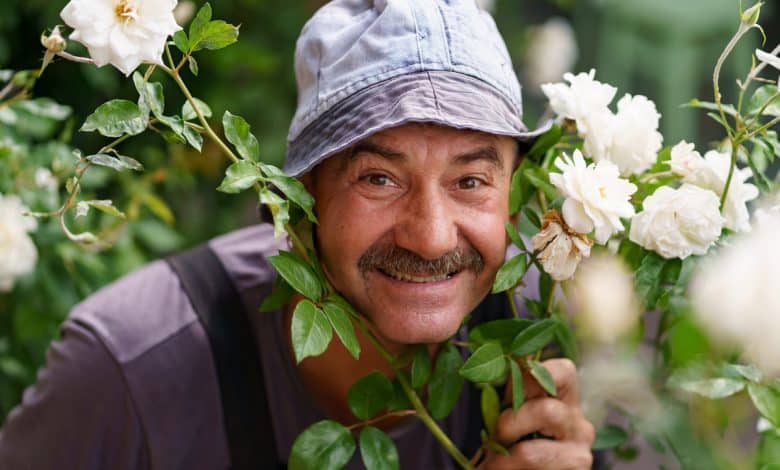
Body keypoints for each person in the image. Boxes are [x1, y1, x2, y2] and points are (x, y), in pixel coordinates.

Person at [0, 1, 595, 468]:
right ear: (301, 195)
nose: (433, 238)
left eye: (470, 181)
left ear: (514, 191)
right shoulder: (128, 369)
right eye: (380, 178)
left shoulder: (537, 340)